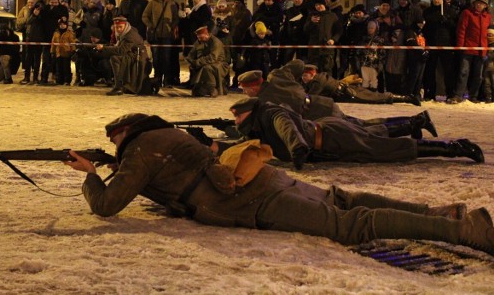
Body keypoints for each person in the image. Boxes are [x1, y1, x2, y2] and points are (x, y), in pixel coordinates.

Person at [65, 113, 494, 257]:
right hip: (267, 176)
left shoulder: (139, 151)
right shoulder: (166, 134)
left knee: (350, 226)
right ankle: (445, 213)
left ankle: (463, 230)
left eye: (112, 142)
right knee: (346, 199)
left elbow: (107, 205)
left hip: (252, 201)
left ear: (122, 134)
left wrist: (89, 173)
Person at [227, 98, 483, 170]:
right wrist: (212, 146)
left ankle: (454, 147)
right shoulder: (259, 124)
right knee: (374, 131)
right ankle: (415, 122)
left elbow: (288, 129)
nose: (236, 121)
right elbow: (242, 145)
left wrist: (297, 150)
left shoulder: (271, 115)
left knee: (388, 150)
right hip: (328, 131)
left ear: (249, 113)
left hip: (332, 138)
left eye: (238, 116)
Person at [237, 64, 437, 139]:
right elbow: (297, 64)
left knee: (364, 131)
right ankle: (413, 122)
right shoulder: (277, 75)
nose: (244, 92)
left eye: (244, 89)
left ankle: (414, 123)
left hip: (319, 114)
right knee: (363, 125)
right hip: (320, 105)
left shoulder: (262, 99)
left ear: (253, 86)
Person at [300, 63, 421, 106]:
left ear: (312, 74)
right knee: (375, 96)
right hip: (347, 90)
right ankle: (408, 98)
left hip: (348, 94)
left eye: (305, 75)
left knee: (376, 98)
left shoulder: (317, 82)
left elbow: (310, 98)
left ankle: (408, 98)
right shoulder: (320, 77)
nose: (303, 78)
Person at [447, 0, 492, 104]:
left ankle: (473, 96)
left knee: (478, 75)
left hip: (481, 49)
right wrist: (461, 46)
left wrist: (486, 48)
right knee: (463, 72)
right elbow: (461, 30)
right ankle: (458, 95)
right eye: (477, 3)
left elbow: (488, 32)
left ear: (485, 6)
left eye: (481, 4)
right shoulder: (467, 13)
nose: (478, 5)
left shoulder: (488, 17)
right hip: (468, 48)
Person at [96, 16, 153, 96]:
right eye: (116, 27)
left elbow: (120, 50)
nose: (118, 29)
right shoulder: (127, 31)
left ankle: (118, 87)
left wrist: (104, 48)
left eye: (120, 27)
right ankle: (120, 85)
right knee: (114, 58)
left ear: (125, 25)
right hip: (132, 54)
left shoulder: (130, 36)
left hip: (137, 57)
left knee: (115, 59)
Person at [422, 0, 459, 101]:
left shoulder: (450, 11)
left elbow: (455, 28)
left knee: (448, 70)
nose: (436, 0)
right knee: (430, 70)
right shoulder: (427, 12)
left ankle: (450, 93)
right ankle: (430, 93)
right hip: (432, 43)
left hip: (446, 44)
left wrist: (447, 21)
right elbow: (425, 28)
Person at [142, 0, 179, 88]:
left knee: (166, 58)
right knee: (156, 58)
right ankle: (157, 78)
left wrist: (172, 26)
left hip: (167, 36)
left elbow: (176, 18)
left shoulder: (172, 4)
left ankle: (167, 79)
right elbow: (144, 16)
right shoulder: (152, 3)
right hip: (156, 35)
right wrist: (151, 26)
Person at [304, 0, 342, 76]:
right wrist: (311, 22)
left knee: (326, 72)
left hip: (327, 50)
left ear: (324, 4)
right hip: (314, 50)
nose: (318, 6)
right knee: (312, 72)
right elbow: (305, 30)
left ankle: (326, 88)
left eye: (320, 4)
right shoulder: (311, 16)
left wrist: (333, 39)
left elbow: (339, 30)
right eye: (316, 5)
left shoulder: (332, 16)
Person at [185, 26, 230, 97]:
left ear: (207, 35)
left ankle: (211, 88)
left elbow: (213, 57)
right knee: (196, 68)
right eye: (198, 37)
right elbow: (191, 53)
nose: (200, 39)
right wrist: (190, 60)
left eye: (201, 37)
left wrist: (197, 62)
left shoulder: (215, 42)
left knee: (206, 68)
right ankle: (201, 87)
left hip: (219, 64)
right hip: (206, 62)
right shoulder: (199, 42)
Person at [280, 0, 309, 65]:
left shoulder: (307, 10)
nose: (296, 0)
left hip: (302, 38)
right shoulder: (290, 11)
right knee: (287, 59)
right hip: (290, 38)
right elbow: (286, 24)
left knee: (301, 60)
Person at [357, 20, 385, 91]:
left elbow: (382, 53)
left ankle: (373, 94)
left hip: (374, 64)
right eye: (369, 28)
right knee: (365, 80)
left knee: (374, 80)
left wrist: (380, 64)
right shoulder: (364, 40)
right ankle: (365, 94)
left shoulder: (379, 40)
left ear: (376, 29)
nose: (370, 30)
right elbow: (359, 52)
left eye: (372, 28)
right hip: (364, 64)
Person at [50, 16, 76, 86]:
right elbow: (53, 43)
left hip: (66, 53)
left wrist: (73, 50)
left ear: (66, 25)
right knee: (58, 67)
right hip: (58, 53)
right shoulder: (56, 33)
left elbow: (72, 43)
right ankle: (59, 80)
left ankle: (67, 81)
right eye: (61, 24)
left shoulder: (69, 33)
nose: (62, 25)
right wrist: (52, 51)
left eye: (64, 24)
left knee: (66, 68)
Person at [483, 25, 494, 103]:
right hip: (486, 68)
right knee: (487, 84)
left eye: (491, 35)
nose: (489, 37)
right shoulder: (485, 45)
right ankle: (488, 97)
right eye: (488, 35)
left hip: (493, 68)